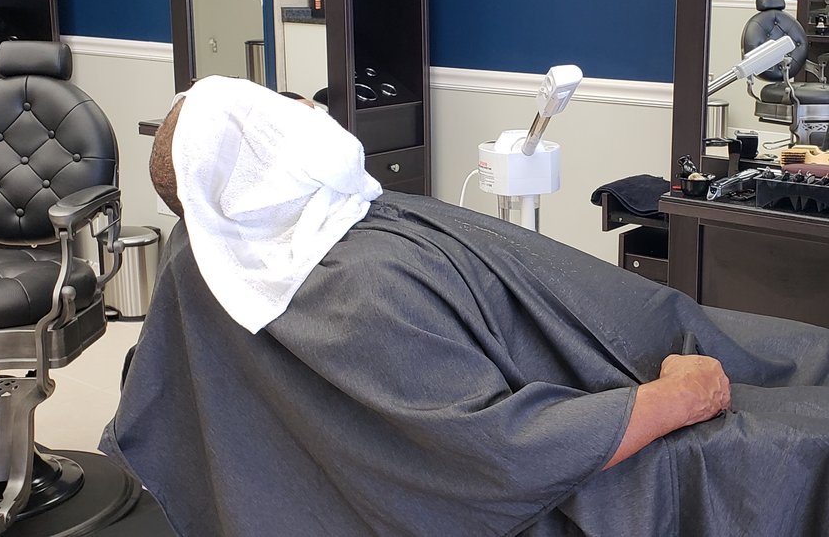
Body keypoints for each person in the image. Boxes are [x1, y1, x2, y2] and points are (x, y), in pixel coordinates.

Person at [103, 76, 829, 536]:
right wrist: (677, 399)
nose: (306, 105)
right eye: (279, 108)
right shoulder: (359, 291)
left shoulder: (220, 244)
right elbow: (503, 453)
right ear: (269, 153)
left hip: (637, 339)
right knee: (793, 435)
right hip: (596, 432)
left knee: (795, 355)